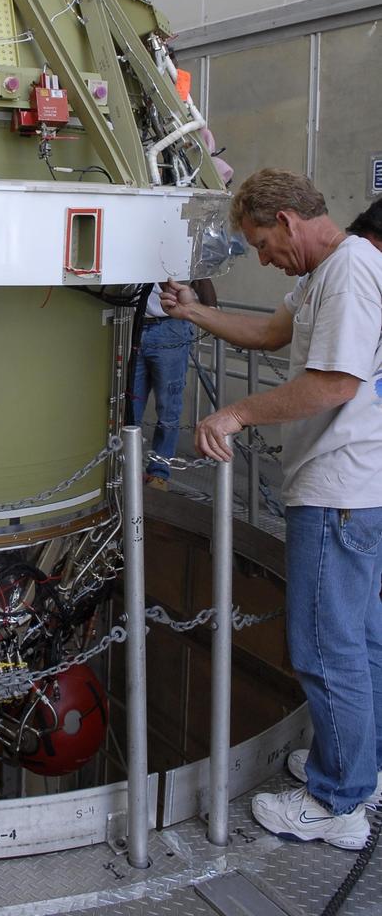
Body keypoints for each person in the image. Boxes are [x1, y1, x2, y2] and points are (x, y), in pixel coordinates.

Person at [160, 168, 382, 850]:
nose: (262, 259)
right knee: (362, 640)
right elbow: (267, 334)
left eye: (261, 243)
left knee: (325, 646)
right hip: (356, 489)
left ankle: (337, 801)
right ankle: (361, 768)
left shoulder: (350, 271)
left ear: (286, 221)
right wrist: (192, 311)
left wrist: (233, 414)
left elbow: (334, 383)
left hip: (338, 489)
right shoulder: (322, 275)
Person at [132, 280, 216, 490]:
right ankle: (128, 469)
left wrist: (212, 316)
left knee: (168, 407)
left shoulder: (176, 261)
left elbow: (202, 277)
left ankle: (159, 473)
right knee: (130, 406)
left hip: (170, 326)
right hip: (133, 325)